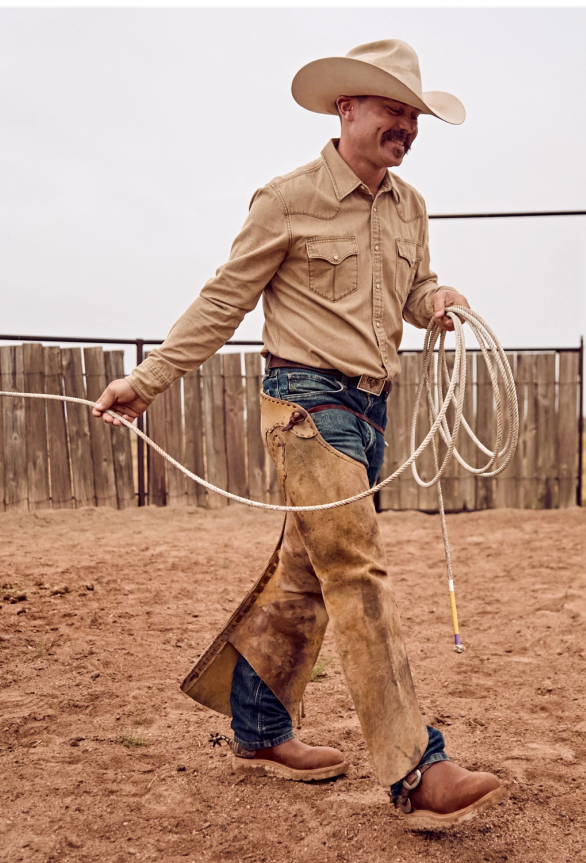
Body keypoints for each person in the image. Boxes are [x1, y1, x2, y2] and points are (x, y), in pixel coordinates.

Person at [93, 39, 508, 828]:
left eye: (413, 114)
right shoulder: (285, 200)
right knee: (356, 569)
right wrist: (144, 382)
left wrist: (437, 298)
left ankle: (257, 728)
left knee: (305, 577)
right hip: (304, 405)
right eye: (392, 108)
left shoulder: (409, 206)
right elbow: (224, 300)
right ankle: (418, 771)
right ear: (345, 108)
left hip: (371, 407)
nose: (406, 125)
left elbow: (413, 287)